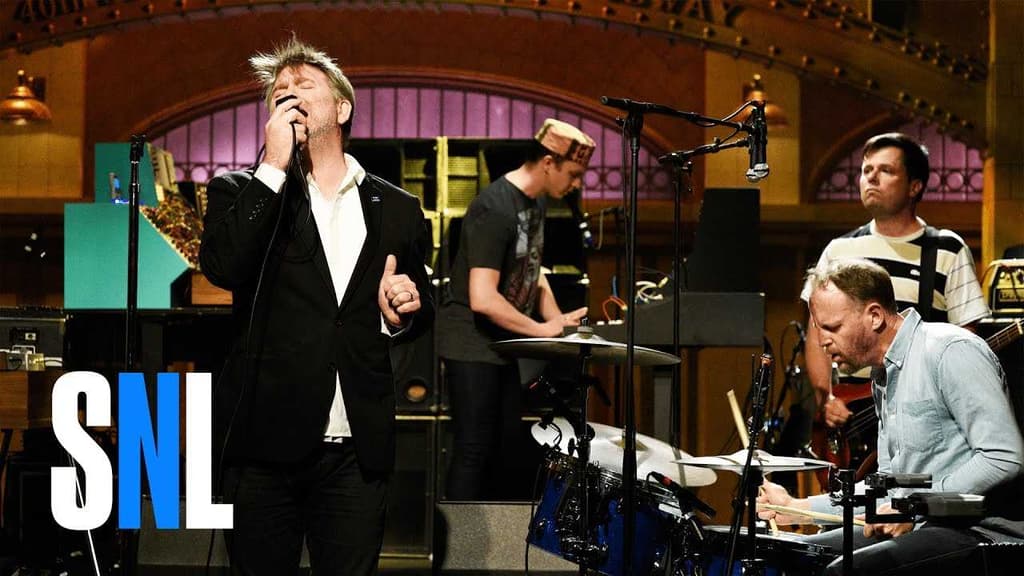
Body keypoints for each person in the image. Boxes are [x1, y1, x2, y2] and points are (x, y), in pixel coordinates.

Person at [199, 37, 433, 575]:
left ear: (342, 109)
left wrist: (399, 313)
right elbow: (223, 267)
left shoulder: (397, 208)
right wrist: (273, 165)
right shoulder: (240, 191)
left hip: (356, 452)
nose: (289, 94)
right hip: (262, 449)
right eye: (279, 91)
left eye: (304, 85)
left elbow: (418, 310)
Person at [759, 258, 1024, 575]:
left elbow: (1003, 456)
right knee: (799, 556)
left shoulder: (950, 350)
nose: (822, 341)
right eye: (819, 329)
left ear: (874, 316)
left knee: (842, 571)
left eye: (833, 327)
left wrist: (915, 506)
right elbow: (889, 488)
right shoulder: (883, 375)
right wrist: (798, 508)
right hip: (922, 523)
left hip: (979, 530)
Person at [438, 119, 593, 500]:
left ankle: (490, 536)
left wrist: (557, 321)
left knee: (505, 447)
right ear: (548, 162)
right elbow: (483, 297)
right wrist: (542, 330)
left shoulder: (535, 202)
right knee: (473, 449)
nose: (576, 185)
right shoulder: (495, 209)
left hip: (500, 346)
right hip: (471, 345)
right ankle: (459, 538)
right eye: (573, 174)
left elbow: (532, 270)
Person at [802, 133, 989, 445]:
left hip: (921, 414)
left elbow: (964, 340)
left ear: (915, 186)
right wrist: (827, 398)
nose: (871, 177)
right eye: (866, 170)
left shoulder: (947, 249)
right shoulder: (838, 250)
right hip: (850, 418)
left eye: (886, 170)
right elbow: (816, 332)